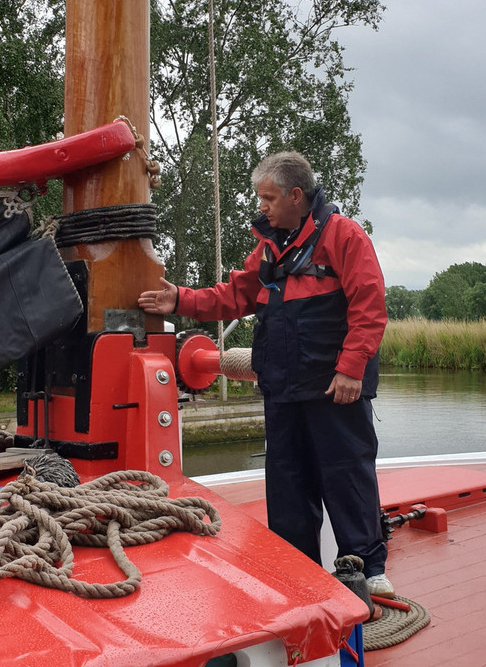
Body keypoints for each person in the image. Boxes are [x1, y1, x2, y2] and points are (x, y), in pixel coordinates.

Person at [138, 151, 393, 598]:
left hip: (335, 388)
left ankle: (369, 567)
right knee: (288, 481)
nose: (262, 208)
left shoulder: (345, 236)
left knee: (346, 475)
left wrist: (351, 370)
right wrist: (178, 299)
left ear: (297, 195)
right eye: (261, 199)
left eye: (269, 198)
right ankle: (298, 569)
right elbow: (234, 295)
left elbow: (369, 307)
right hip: (282, 387)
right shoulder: (270, 246)